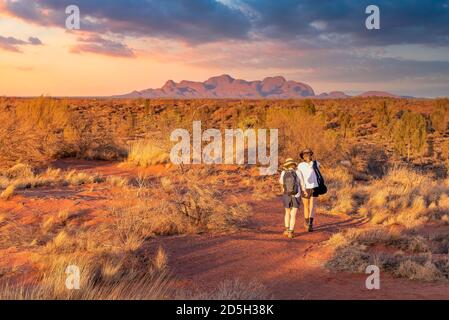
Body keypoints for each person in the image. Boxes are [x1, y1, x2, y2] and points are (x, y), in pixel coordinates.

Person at [297, 149, 320, 232]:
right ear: (311, 155)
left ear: (303, 156)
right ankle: (310, 223)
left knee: (306, 206)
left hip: (305, 187)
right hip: (315, 187)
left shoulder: (300, 165)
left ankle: (307, 223)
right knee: (312, 206)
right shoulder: (316, 163)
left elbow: (299, 177)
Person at [279, 158, 300, 239]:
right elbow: (301, 183)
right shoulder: (297, 172)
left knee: (287, 212)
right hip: (296, 195)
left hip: (286, 195)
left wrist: (284, 190)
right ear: (293, 165)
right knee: (293, 214)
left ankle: (287, 230)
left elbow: (281, 183)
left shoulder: (283, 172)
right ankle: (291, 232)